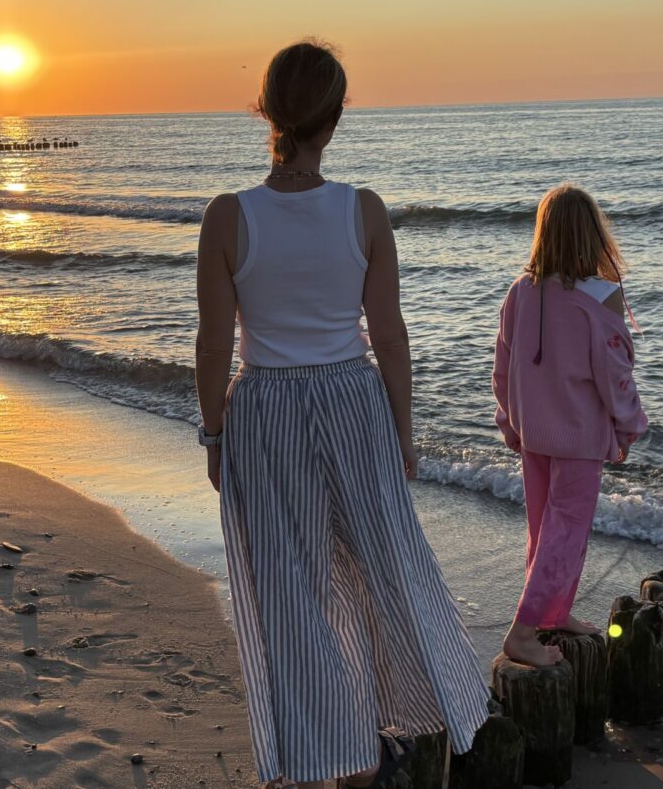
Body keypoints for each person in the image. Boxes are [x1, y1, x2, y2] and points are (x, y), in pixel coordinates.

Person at [194, 40, 488, 788]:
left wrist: (214, 434)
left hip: (265, 408)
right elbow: (389, 336)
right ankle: (374, 740)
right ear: (334, 120)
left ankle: (322, 752)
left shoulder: (228, 217)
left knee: (291, 590)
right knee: (384, 569)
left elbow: (214, 343)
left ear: (266, 113)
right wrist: (403, 432)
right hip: (353, 400)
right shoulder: (363, 211)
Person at [492, 183, 647, 666]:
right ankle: (522, 633)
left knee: (544, 530)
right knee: (565, 532)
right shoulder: (601, 296)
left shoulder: (521, 291)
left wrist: (509, 421)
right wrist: (628, 427)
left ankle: (553, 614)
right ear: (593, 235)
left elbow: (503, 367)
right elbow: (615, 377)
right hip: (578, 436)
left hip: (532, 433)